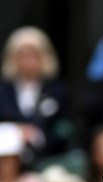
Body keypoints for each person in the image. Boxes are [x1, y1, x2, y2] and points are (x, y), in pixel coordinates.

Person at [0, 27, 72, 163]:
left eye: (33, 55)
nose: (27, 61)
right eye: (22, 55)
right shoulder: (3, 91)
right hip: (6, 164)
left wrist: (37, 136)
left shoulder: (57, 90)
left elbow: (65, 130)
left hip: (48, 160)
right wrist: (14, 133)